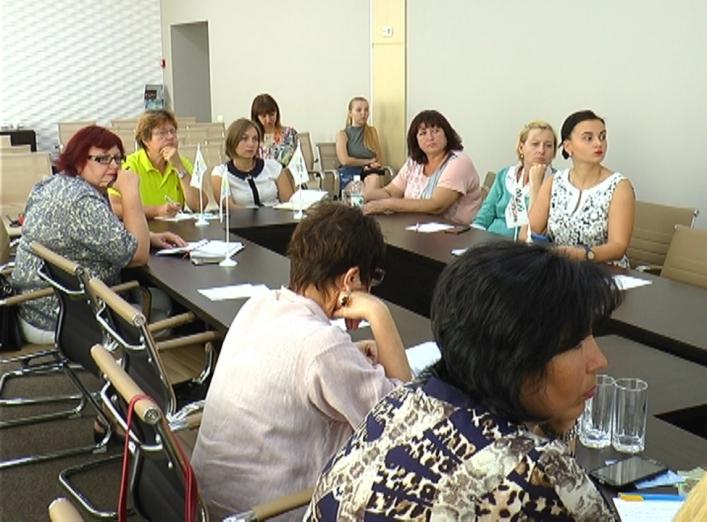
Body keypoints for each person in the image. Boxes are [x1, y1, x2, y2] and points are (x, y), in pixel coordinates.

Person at [305, 242, 621, 521]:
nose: (600, 360)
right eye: (577, 344)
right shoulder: (536, 473)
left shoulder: (397, 404)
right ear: (516, 359)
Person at [191, 203, 411, 519]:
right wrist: (379, 313)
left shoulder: (260, 304)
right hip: (271, 512)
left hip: (208, 502)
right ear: (351, 279)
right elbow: (406, 421)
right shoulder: (323, 348)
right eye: (370, 281)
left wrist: (349, 353)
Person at [10, 126, 184, 344]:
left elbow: (99, 232)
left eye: (118, 159)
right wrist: (130, 191)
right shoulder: (83, 202)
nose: (114, 167)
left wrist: (148, 236)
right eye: (102, 159)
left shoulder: (49, 184)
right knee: (167, 309)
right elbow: (139, 256)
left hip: (35, 304)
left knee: (156, 298)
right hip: (64, 317)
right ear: (78, 161)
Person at [525, 110, 635, 268]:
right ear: (568, 146)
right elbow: (530, 230)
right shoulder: (554, 182)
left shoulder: (619, 186)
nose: (598, 143)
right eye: (588, 138)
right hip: (561, 269)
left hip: (604, 272)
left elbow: (618, 247)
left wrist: (584, 255)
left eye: (602, 137)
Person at [363, 110, 482, 224]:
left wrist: (387, 205)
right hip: (415, 228)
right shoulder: (414, 163)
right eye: (423, 133)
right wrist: (364, 195)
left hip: (457, 233)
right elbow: (390, 192)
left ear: (447, 134)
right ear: (416, 140)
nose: (430, 137)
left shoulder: (459, 161)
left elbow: (437, 205)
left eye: (435, 131)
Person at [108, 109, 201, 218]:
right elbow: (114, 207)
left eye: (173, 131)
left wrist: (180, 168)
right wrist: (156, 211)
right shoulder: (129, 165)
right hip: (143, 226)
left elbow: (199, 205)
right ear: (146, 140)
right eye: (162, 133)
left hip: (176, 227)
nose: (170, 137)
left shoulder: (182, 163)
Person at [473, 120, 557, 238]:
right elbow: (484, 217)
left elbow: (537, 232)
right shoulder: (504, 175)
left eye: (548, 145)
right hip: (489, 240)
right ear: (521, 148)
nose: (541, 150)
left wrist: (536, 184)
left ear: (554, 152)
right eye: (535, 144)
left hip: (522, 246)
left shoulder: (558, 183)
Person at [211, 118, 294, 209]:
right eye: (244, 139)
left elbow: (289, 204)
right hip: (242, 217)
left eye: (255, 139)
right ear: (232, 141)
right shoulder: (221, 173)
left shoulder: (273, 166)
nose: (251, 144)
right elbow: (229, 207)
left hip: (276, 215)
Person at [335, 96, 386, 192]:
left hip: (369, 172)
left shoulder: (372, 132)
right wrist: (368, 161)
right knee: (360, 187)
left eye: (366, 110)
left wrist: (373, 165)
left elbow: (378, 157)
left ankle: (371, 199)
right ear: (350, 113)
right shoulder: (342, 134)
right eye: (359, 110)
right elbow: (345, 160)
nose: (363, 113)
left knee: (374, 180)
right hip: (350, 174)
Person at [250, 93, 299, 167]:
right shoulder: (254, 138)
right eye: (263, 116)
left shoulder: (290, 134)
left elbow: (299, 161)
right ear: (257, 117)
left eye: (272, 114)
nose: (268, 120)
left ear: (277, 113)